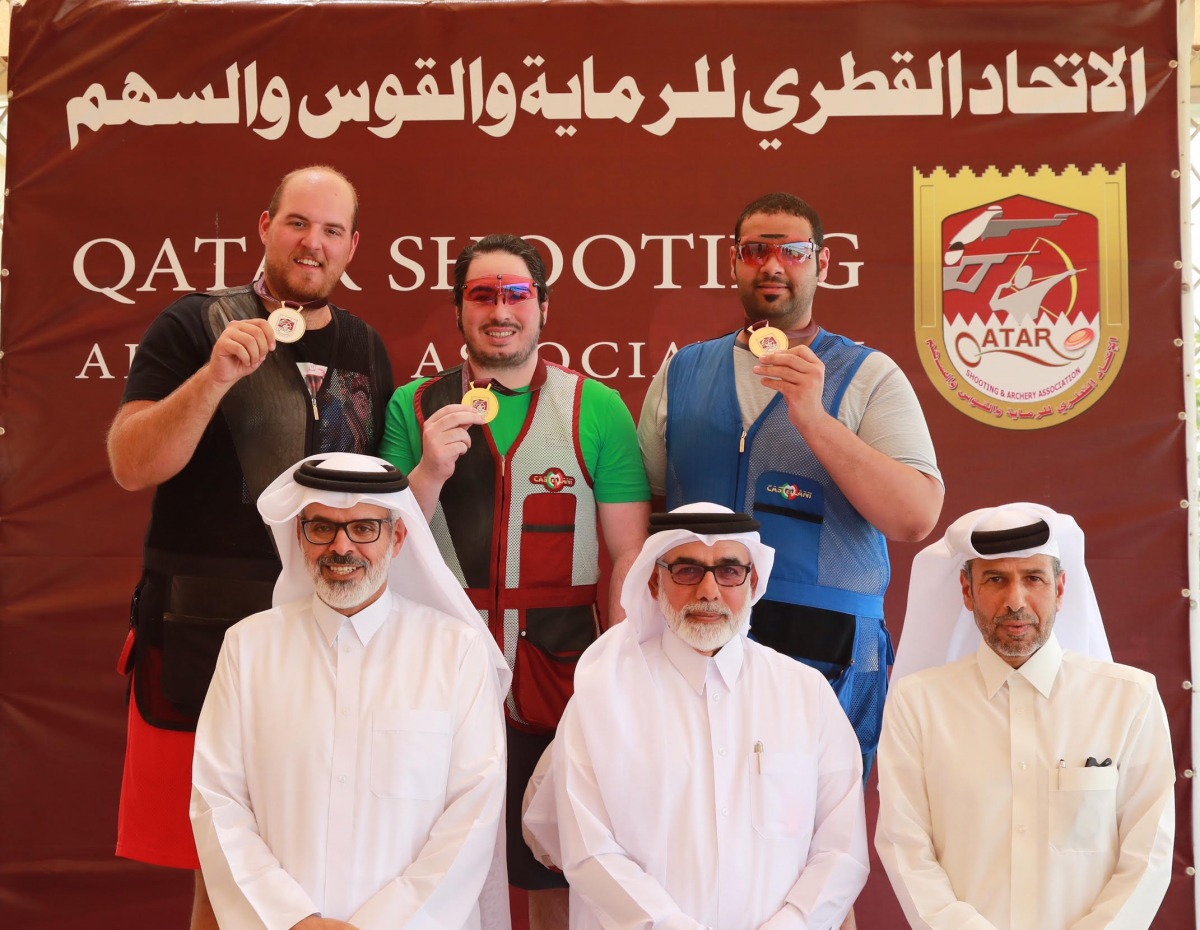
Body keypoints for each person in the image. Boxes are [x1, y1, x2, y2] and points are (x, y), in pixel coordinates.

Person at [107, 166, 394, 928]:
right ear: (263, 226)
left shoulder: (365, 346)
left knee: (305, 852)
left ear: (353, 246)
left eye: (332, 230)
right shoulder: (192, 325)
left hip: (319, 637)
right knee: (221, 864)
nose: (314, 243)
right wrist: (213, 378)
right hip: (205, 630)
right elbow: (131, 464)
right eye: (299, 223)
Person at [378, 234, 650, 927]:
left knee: (555, 859)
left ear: (543, 309)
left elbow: (629, 556)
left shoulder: (598, 408)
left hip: (557, 670)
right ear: (458, 310)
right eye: (482, 295)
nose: (501, 310)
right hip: (441, 667)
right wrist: (427, 473)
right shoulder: (413, 406)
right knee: (432, 857)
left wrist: (612, 681)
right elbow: (384, 544)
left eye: (516, 295)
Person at [638, 192, 943, 762]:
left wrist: (813, 417)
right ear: (733, 262)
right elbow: (647, 514)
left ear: (823, 264)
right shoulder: (683, 371)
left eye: (793, 252)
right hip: (698, 630)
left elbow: (915, 516)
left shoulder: (868, 374)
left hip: (829, 645)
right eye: (755, 251)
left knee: (815, 832)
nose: (773, 266)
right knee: (693, 821)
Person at [192, 453, 509, 930]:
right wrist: (294, 920)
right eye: (322, 528)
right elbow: (219, 801)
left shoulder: (456, 653)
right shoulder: (247, 648)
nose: (342, 548)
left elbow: (473, 813)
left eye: (364, 529)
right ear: (300, 537)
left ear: (398, 537)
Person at [523, 504, 868, 930]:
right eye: (687, 571)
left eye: (728, 571)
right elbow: (588, 850)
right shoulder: (603, 697)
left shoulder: (805, 693)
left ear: (752, 580)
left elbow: (841, 849)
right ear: (654, 582)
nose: (709, 591)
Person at [875, 504, 1175, 930]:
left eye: (1033, 578)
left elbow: (1148, 855)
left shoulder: (1129, 699)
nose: (1015, 601)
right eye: (995, 580)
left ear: (1060, 588)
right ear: (967, 590)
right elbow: (906, 848)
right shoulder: (917, 704)